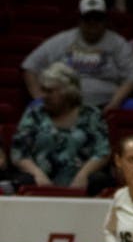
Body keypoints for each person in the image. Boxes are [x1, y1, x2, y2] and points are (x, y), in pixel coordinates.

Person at [22, 0, 133, 113]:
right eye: (88, 18)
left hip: (107, 102)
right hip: (65, 103)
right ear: (79, 20)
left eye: (97, 18)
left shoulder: (119, 44)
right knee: (36, 106)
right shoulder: (63, 40)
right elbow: (30, 66)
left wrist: (115, 103)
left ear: (105, 20)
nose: (92, 22)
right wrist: (40, 96)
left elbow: (131, 77)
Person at [11, 62, 112, 193]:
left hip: (82, 181)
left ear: (68, 92)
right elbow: (18, 153)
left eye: (50, 91)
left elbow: (102, 152)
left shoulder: (91, 114)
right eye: (43, 90)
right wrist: (37, 174)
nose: (44, 96)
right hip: (40, 181)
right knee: (23, 181)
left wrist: (83, 176)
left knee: (100, 181)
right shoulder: (34, 114)